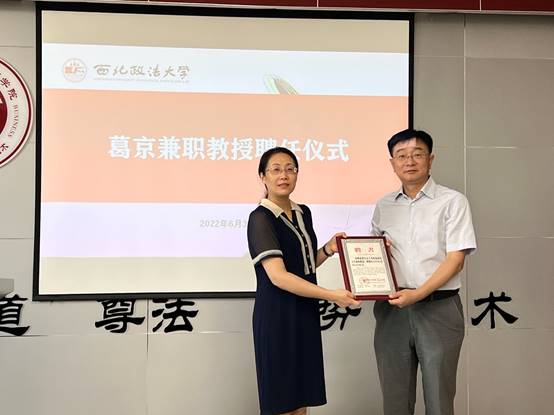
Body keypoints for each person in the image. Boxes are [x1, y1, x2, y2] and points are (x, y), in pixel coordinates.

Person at [370, 129, 476, 415]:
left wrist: (417, 294)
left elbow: (456, 259)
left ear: (431, 159)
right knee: (394, 400)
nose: (409, 161)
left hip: (438, 308)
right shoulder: (384, 205)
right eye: (401, 156)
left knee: (439, 400)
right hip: (392, 310)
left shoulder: (453, 201)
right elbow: (373, 255)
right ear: (392, 163)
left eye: (417, 154)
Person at [247, 147, 360, 415]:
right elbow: (279, 276)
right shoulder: (261, 218)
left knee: (301, 399)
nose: (283, 175)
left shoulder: (303, 213)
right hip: (278, 316)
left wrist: (328, 249)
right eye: (276, 170)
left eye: (290, 169)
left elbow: (304, 266)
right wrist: (332, 295)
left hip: (304, 313)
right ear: (263, 176)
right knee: (282, 400)